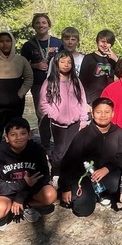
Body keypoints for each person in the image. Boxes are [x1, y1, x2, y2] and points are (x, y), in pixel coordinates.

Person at [59, 97, 122, 216]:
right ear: (92, 113)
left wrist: (107, 168)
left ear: (113, 113)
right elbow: (69, 161)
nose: (103, 115)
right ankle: (94, 194)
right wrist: (65, 187)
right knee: (82, 210)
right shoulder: (83, 135)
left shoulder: (118, 132)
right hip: (85, 177)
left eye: (107, 112)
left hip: (108, 174)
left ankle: (103, 192)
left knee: (120, 183)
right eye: (98, 112)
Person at [0, 117, 57, 230]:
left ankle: (25, 206)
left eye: (23, 133)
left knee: (50, 194)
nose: (18, 138)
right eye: (13, 134)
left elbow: (44, 178)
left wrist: (21, 197)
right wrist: (21, 184)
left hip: (29, 193)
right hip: (6, 193)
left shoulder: (37, 150)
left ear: (29, 135)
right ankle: (10, 209)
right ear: (6, 138)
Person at [40, 50, 88, 206]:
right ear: (56, 63)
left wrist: (83, 120)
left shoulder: (76, 81)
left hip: (75, 123)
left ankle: (70, 178)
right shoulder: (50, 81)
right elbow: (43, 103)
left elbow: (83, 101)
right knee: (60, 151)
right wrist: (54, 114)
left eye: (69, 62)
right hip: (58, 124)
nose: (66, 65)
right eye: (63, 62)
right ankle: (56, 174)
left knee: (73, 151)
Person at [20, 13, 61, 149]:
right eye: (38, 23)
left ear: (49, 25)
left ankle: (60, 143)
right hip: (38, 84)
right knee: (42, 114)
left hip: (57, 83)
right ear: (33, 26)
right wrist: (35, 65)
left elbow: (66, 60)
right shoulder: (28, 45)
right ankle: (45, 145)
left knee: (59, 111)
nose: (41, 25)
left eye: (44, 22)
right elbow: (22, 65)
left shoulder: (58, 43)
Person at [79, 29, 118, 105]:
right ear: (97, 41)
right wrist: (86, 101)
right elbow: (82, 81)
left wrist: (116, 59)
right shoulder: (89, 58)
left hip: (108, 99)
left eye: (108, 42)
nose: (104, 45)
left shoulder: (113, 60)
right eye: (102, 41)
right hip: (92, 100)